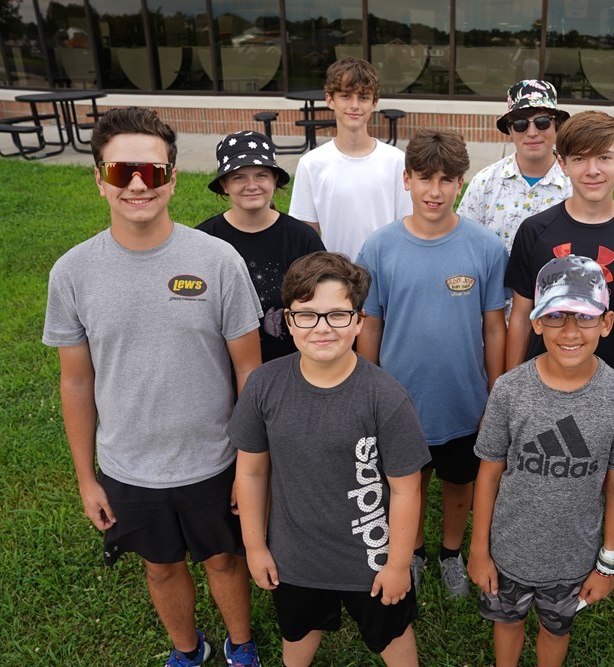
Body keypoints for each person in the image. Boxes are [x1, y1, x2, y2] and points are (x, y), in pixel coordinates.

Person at [42, 107, 264, 667]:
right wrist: (86, 478)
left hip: (215, 459)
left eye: (152, 171)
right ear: (99, 179)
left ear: (172, 178)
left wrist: (247, 463)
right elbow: (76, 380)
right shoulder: (72, 273)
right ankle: (188, 650)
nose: (138, 185)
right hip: (129, 466)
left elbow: (249, 371)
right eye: (122, 171)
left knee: (224, 560)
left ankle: (241, 645)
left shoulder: (218, 260)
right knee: (161, 567)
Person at [230, 252, 431, 667]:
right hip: (294, 558)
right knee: (297, 634)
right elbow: (251, 471)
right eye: (307, 315)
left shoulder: (385, 398)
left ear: (359, 321)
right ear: (288, 321)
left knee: (393, 635)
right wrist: (254, 545)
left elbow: (406, 489)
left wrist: (398, 565)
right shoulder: (264, 386)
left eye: (338, 314)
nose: (322, 327)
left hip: (371, 558)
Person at [469, 255, 614, 667]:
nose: (570, 331)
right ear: (535, 322)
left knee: (555, 630)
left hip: (574, 560)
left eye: (585, 317)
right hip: (508, 552)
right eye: (555, 316)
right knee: (508, 624)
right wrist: (479, 550)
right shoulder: (509, 391)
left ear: (606, 323)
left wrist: (607, 565)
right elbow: (489, 473)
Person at [357, 128, 508, 598]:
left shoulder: (485, 247)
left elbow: (494, 327)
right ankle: (416, 551)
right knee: (410, 482)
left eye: (446, 180)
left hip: (463, 398)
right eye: (425, 178)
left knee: (460, 482)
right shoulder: (379, 247)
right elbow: (371, 325)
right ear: (407, 180)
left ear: (461, 182)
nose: (435, 191)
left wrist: (495, 391)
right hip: (399, 399)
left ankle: (450, 552)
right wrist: (368, 389)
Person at [504, 110, 614, 400]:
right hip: (540, 387)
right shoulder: (535, 231)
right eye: (579, 158)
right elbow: (520, 316)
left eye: (603, 157)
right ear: (563, 164)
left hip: (610, 388)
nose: (592, 170)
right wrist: (511, 388)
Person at [197, 130, 325, 362]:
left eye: (261, 175)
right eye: (239, 177)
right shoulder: (204, 240)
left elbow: (324, 304)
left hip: (293, 365)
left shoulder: (303, 239)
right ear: (224, 184)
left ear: (274, 180)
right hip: (224, 367)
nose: (251, 185)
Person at [288, 56, 412, 260]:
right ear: (330, 100)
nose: (354, 105)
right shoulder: (311, 164)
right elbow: (305, 236)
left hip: (385, 270)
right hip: (334, 274)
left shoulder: (397, 161)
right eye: (345, 96)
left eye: (363, 97)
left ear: (374, 103)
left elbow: (407, 228)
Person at [457, 79, 572, 254]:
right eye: (520, 124)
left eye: (542, 122)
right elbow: (464, 243)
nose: (532, 133)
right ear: (510, 130)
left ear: (556, 125)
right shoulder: (484, 182)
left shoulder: (576, 183)